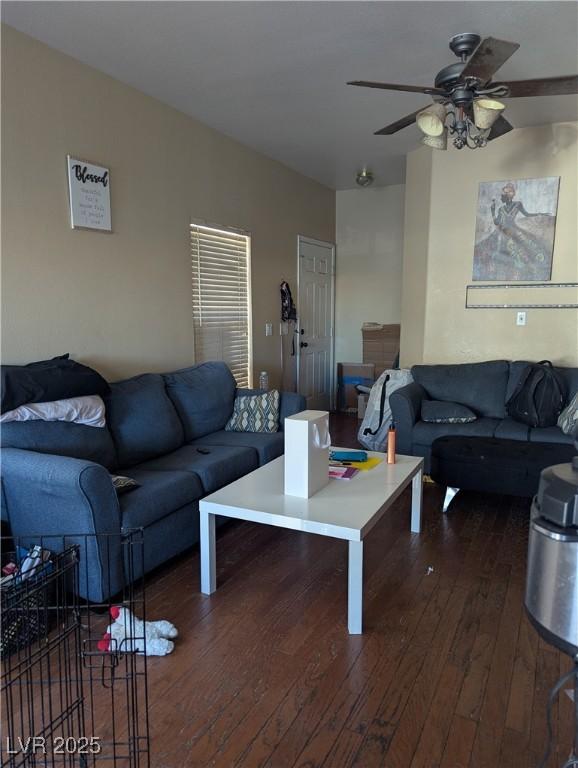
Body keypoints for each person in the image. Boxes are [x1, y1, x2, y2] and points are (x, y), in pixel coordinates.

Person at [474, 182, 554, 281]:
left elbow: (527, 214)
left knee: (526, 249)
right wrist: (492, 211)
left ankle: (530, 271)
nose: (501, 197)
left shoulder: (518, 204)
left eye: (503, 195)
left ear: (508, 195)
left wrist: (540, 213)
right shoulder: (501, 209)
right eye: (502, 194)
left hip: (513, 230)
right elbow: (497, 222)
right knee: (494, 251)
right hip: (502, 232)